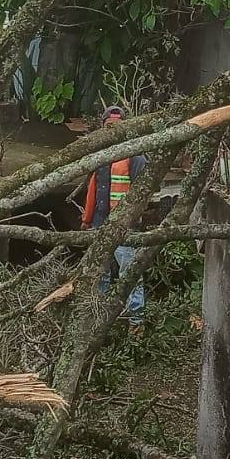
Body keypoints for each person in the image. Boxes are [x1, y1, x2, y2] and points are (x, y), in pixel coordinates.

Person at [81, 106, 146, 326]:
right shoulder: (100, 157)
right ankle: (100, 321)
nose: (113, 131)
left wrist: (131, 221)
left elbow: (141, 196)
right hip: (99, 225)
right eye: (109, 126)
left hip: (124, 229)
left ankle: (135, 324)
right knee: (101, 275)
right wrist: (87, 221)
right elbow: (93, 190)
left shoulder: (135, 157)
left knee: (130, 276)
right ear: (102, 127)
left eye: (117, 127)